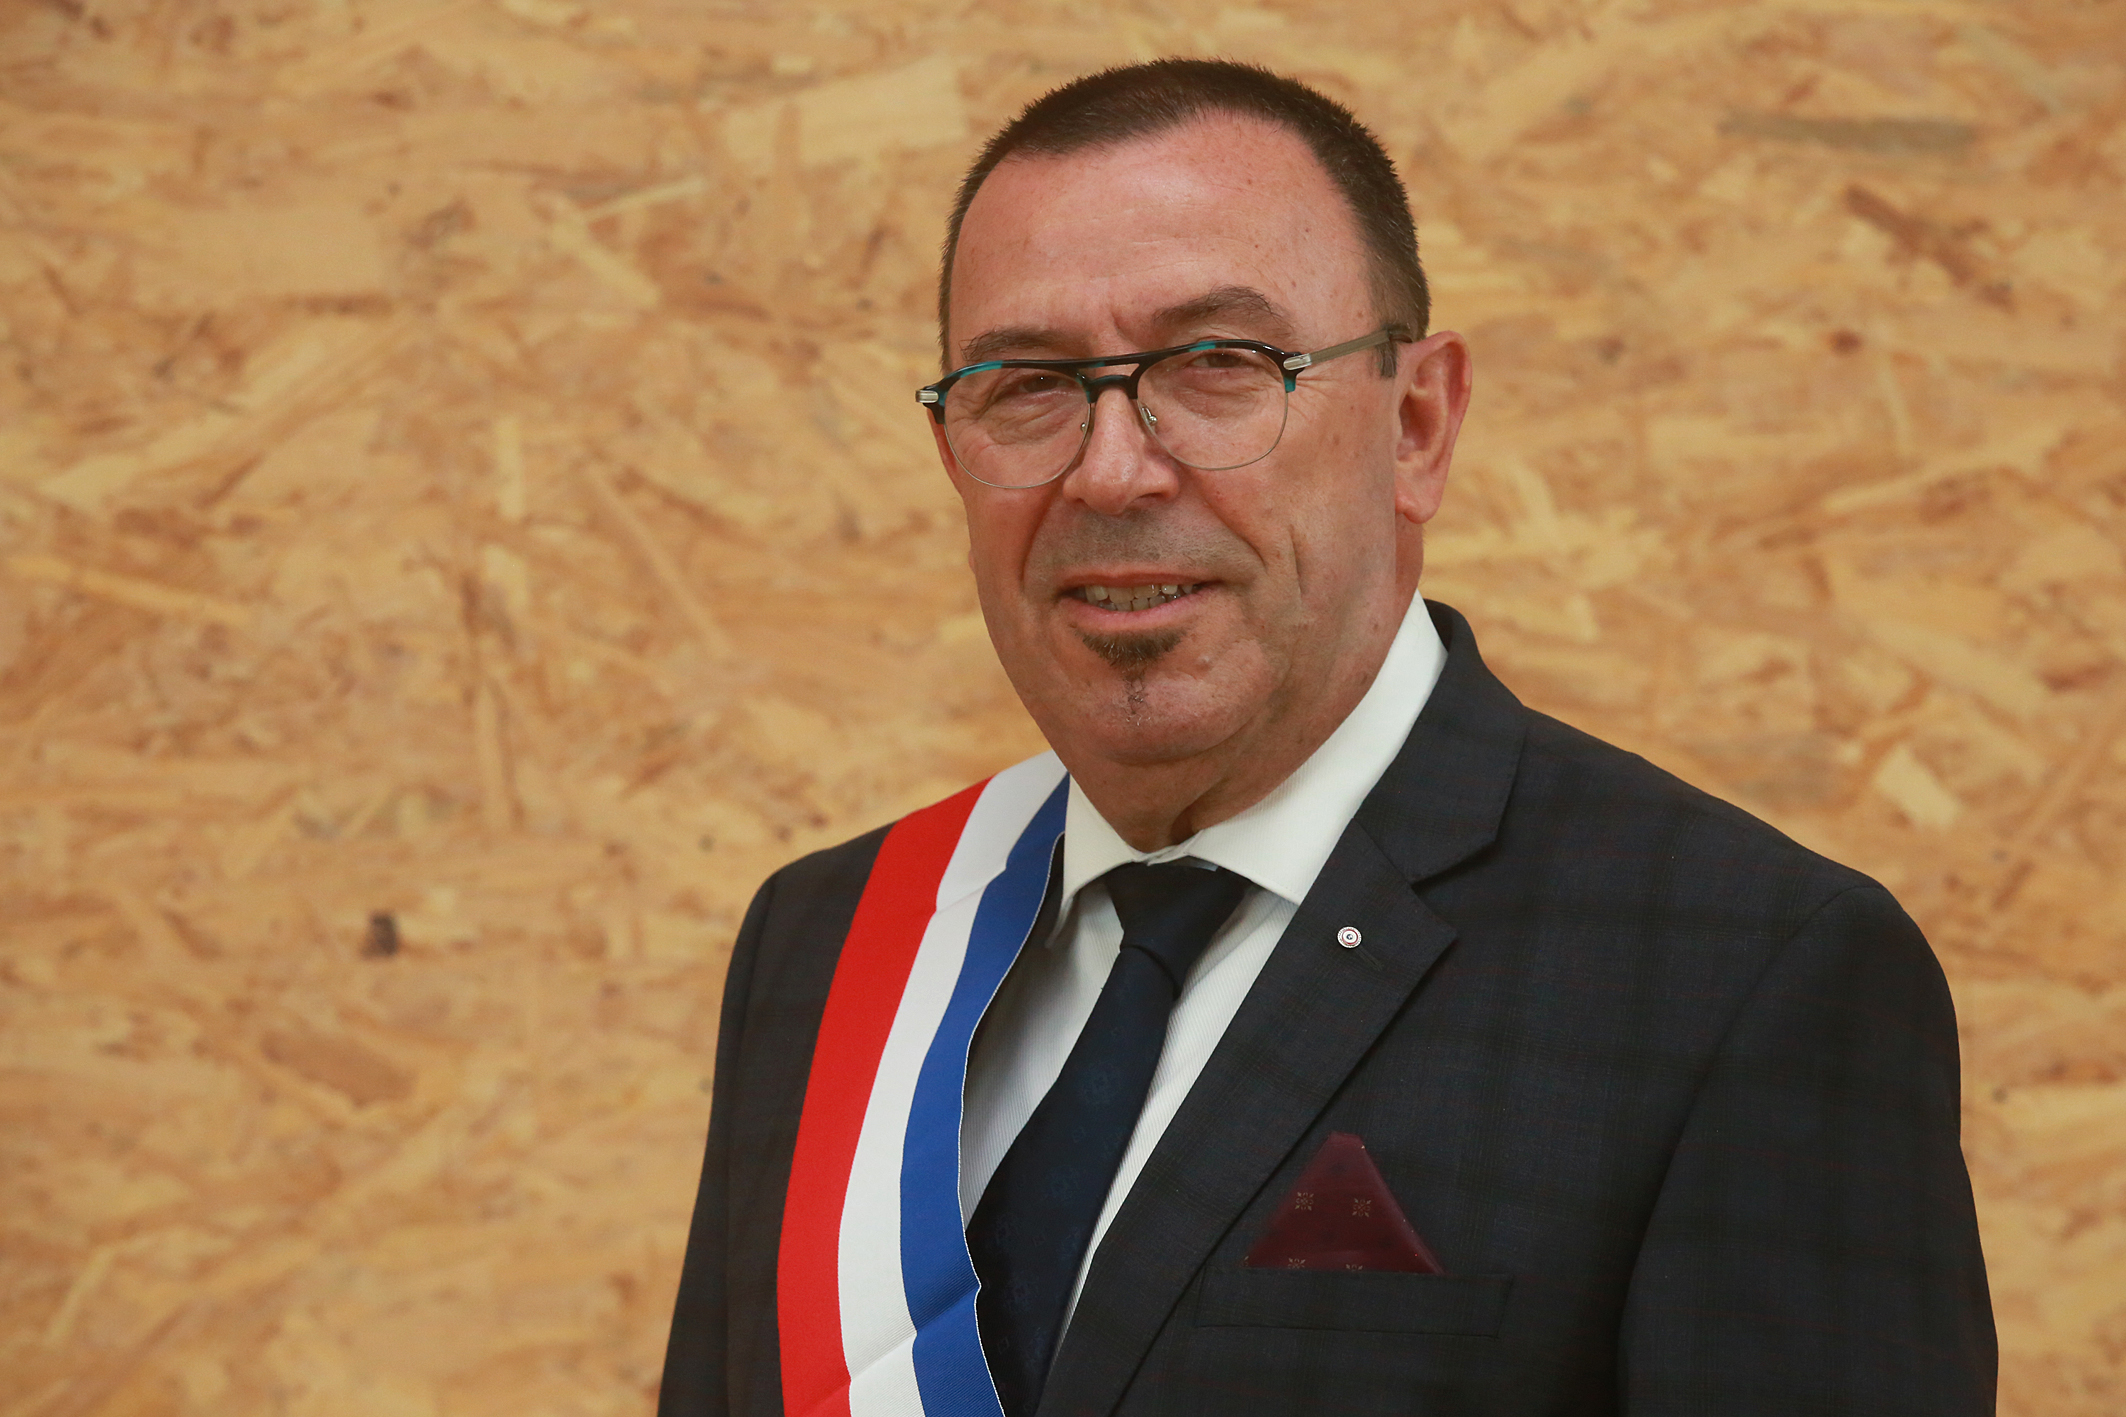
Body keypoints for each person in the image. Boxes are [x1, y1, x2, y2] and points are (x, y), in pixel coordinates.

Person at [659, 59, 1995, 1417]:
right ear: (955, 452)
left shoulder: (1742, 977)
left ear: (1417, 425)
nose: (1110, 470)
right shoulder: (830, 945)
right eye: (1027, 385)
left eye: (1217, 366)